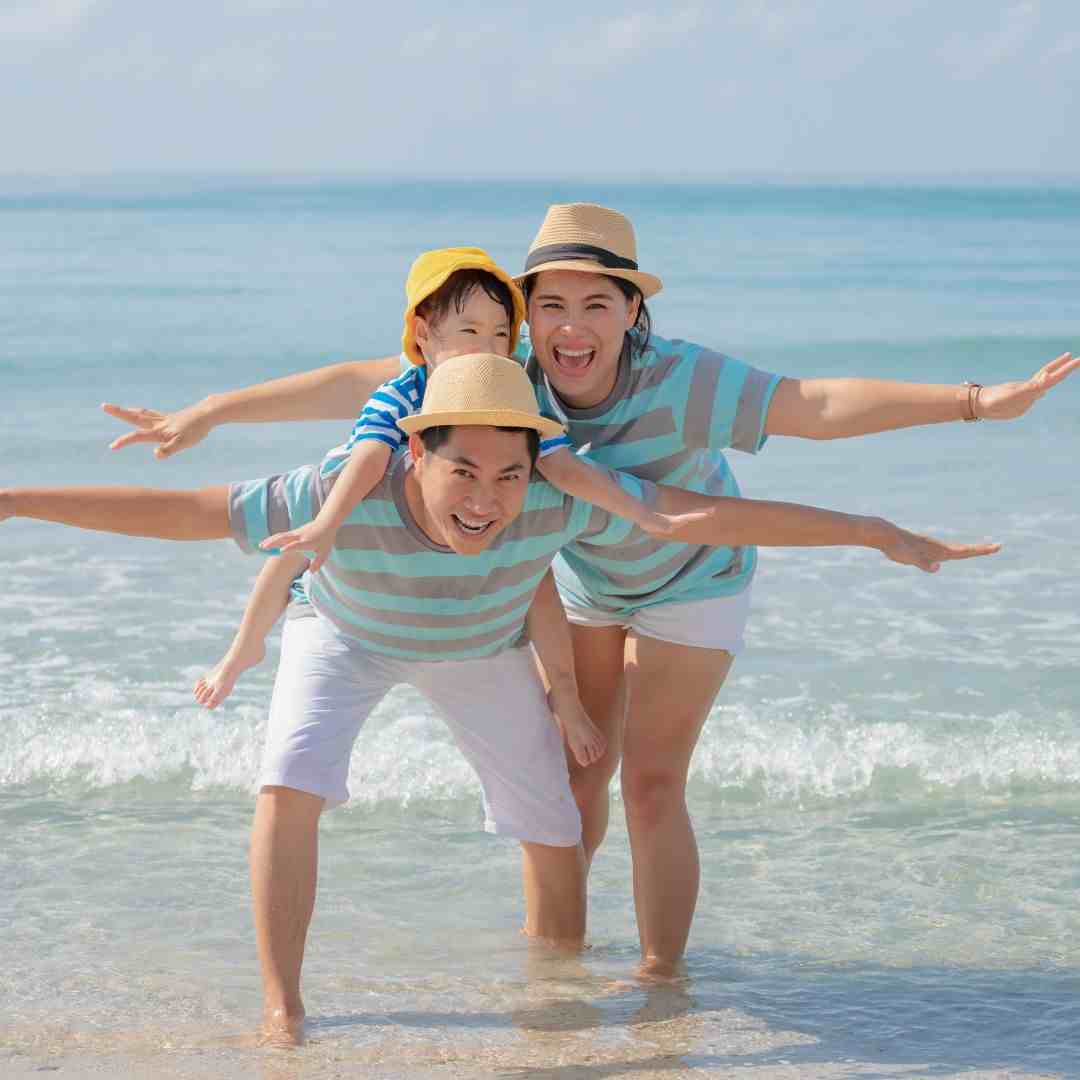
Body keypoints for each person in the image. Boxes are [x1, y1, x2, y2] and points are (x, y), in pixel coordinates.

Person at [98, 204, 1076, 980]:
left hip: (693, 569)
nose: (571, 328)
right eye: (552, 305)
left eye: (596, 305)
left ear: (631, 312)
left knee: (651, 784)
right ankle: (563, 967)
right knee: (577, 775)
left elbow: (815, 406)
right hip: (589, 573)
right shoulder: (509, 373)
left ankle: (659, 982)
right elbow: (366, 381)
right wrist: (210, 411)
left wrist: (976, 406)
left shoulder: (684, 381)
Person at [4, 353, 1001, 1041]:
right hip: (344, 634)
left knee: (557, 818)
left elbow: (694, 511)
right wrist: (13, 496)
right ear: (414, 454)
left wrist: (873, 529)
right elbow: (182, 512)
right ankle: (284, 1006)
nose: (486, 499)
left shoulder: (554, 495)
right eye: (463, 471)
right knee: (288, 780)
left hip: (476, 648)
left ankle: (558, 984)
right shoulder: (337, 493)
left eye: (508, 475)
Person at [193, 246, 691, 772]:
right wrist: (326, 522)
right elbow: (367, 460)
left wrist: (640, 513)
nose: (489, 347)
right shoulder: (402, 393)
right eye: (470, 333)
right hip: (357, 518)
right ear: (424, 334)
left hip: (483, 533)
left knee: (537, 573)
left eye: (502, 334)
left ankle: (564, 696)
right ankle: (242, 650)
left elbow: (566, 469)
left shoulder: (512, 396)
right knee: (292, 546)